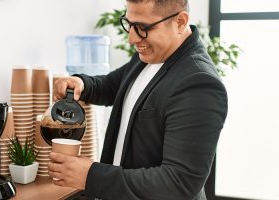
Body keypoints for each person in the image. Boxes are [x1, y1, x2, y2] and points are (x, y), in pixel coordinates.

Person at [49, 0, 228, 199]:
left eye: (143, 28)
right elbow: (114, 85)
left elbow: (178, 183)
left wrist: (91, 176)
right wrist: (83, 84)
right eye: (130, 24)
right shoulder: (152, 54)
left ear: (180, 22)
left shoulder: (199, 84)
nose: (132, 38)